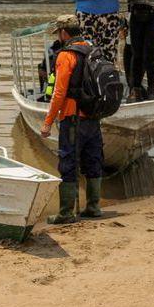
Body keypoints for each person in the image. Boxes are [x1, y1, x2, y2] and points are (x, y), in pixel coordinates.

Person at [41, 15, 105, 224]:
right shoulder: (92, 49)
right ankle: (94, 207)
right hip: (93, 116)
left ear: (63, 33)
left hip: (72, 117)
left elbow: (59, 93)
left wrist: (48, 122)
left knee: (68, 162)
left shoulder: (65, 56)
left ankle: (66, 212)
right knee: (93, 159)